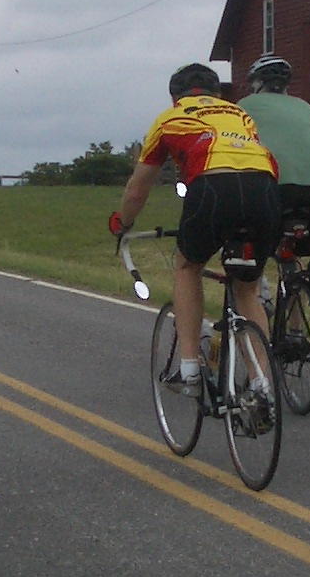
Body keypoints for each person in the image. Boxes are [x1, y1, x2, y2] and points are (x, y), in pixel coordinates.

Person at [109, 62, 282, 393]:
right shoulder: (240, 114)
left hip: (212, 185)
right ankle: (261, 384)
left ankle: (189, 366)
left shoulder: (170, 118)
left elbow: (137, 188)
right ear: (218, 94)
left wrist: (123, 223)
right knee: (247, 288)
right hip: (264, 188)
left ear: (175, 96)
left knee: (188, 267)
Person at [237, 54, 310, 257]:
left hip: (271, 186)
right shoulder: (305, 107)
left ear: (258, 82)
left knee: (250, 246)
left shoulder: (244, 105)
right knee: (306, 249)